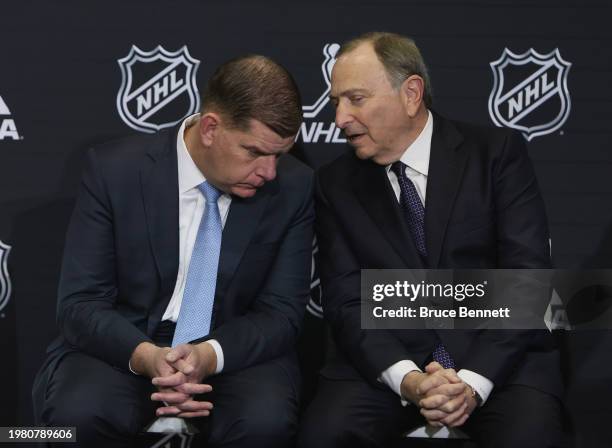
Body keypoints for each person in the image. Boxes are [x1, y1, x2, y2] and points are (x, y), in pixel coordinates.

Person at [297, 32, 564, 448]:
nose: (340, 119)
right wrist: (412, 381)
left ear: (411, 94)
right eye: (336, 102)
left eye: (356, 99)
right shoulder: (335, 183)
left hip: (500, 361)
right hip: (389, 364)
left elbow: (526, 280)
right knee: (324, 435)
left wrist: (471, 383)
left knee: (532, 435)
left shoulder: (495, 155)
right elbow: (347, 301)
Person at [32, 54, 314, 447]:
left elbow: (281, 313)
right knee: (77, 413)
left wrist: (209, 356)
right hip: (126, 341)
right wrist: (148, 357)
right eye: (253, 152)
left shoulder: (294, 187)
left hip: (231, 346)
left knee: (264, 421)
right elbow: (81, 303)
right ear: (211, 128)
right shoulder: (115, 171)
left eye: (279, 155)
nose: (269, 172)